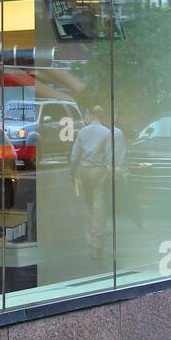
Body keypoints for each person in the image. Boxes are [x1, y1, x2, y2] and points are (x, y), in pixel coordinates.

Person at [71, 105, 114, 258]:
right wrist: (109, 174)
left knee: (88, 205)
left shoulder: (82, 131)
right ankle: (97, 243)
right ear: (101, 116)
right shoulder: (107, 132)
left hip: (84, 171)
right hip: (99, 171)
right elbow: (110, 157)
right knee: (98, 206)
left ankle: (90, 239)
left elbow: (74, 156)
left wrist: (73, 174)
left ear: (90, 115)